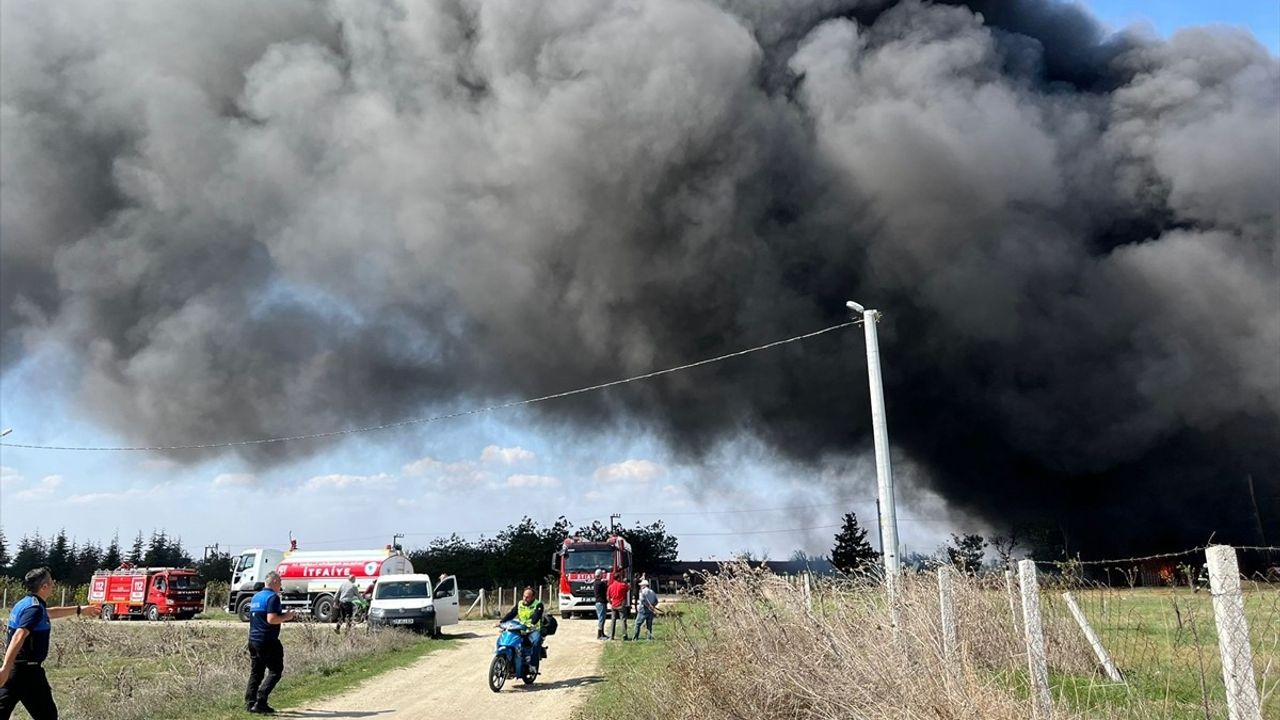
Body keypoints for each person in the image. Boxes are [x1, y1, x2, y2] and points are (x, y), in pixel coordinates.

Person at [0, 568, 99, 720]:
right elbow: (19, 635)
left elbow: (50, 612)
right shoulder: (34, 609)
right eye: (51, 582)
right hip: (27, 672)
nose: (54, 586)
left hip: (17, 671)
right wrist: (5, 668)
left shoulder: (26, 603)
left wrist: (80, 610)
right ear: (44, 587)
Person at [244, 571, 299, 714]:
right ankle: (261, 701)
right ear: (274, 582)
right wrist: (287, 616)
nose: (281, 585)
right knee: (275, 671)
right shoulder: (273, 597)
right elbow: (272, 619)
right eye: (280, 582)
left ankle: (250, 703)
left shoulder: (256, 596)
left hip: (253, 639)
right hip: (267, 640)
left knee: (256, 672)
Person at [498, 587, 545, 674]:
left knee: (536, 642)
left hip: (533, 629)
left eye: (527, 597)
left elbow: (537, 616)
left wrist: (531, 624)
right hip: (520, 628)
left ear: (533, 597)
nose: (525, 599)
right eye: (524, 596)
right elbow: (512, 613)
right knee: (508, 639)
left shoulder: (538, 605)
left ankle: (533, 666)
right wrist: (501, 622)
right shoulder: (520, 604)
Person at [607, 574, 629, 641]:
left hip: (614, 605)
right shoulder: (623, 585)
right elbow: (629, 588)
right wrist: (625, 582)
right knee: (623, 620)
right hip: (621, 605)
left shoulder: (610, 587)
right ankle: (624, 635)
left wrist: (611, 603)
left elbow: (608, 597)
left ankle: (611, 636)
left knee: (613, 621)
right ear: (619, 578)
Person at [592, 569, 609, 641]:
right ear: (600, 575)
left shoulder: (595, 583)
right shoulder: (600, 583)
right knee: (601, 619)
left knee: (602, 618)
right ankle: (599, 635)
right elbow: (606, 588)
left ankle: (602, 633)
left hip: (598, 602)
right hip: (601, 602)